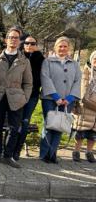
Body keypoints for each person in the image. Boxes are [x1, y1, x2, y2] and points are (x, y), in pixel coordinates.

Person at [0, 27, 32, 168]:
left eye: (16, 38)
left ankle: (8, 156)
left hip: (16, 99)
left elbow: (28, 83)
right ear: (6, 40)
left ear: (20, 41)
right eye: (11, 37)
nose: (13, 40)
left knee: (13, 128)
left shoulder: (24, 61)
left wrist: (25, 98)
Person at [40, 36, 81, 164]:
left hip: (68, 101)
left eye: (65, 46)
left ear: (69, 48)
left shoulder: (74, 64)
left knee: (60, 127)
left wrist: (69, 98)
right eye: (60, 46)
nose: (62, 48)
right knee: (49, 125)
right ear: (55, 47)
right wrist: (56, 97)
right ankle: (44, 154)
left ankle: (53, 154)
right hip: (50, 99)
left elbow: (78, 81)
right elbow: (45, 78)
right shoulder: (47, 61)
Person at [13, 35, 45, 160]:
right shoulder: (18, 56)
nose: (29, 46)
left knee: (25, 121)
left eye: (32, 43)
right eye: (27, 43)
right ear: (23, 44)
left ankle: (17, 150)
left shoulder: (41, 59)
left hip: (32, 96)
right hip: (17, 94)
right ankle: (10, 148)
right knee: (15, 121)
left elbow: (42, 78)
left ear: (36, 45)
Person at [72, 51, 96, 163]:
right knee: (80, 131)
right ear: (91, 59)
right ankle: (76, 151)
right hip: (84, 106)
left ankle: (89, 152)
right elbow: (79, 87)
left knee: (93, 133)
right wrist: (77, 102)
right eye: (95, 58)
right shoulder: (85, 71)